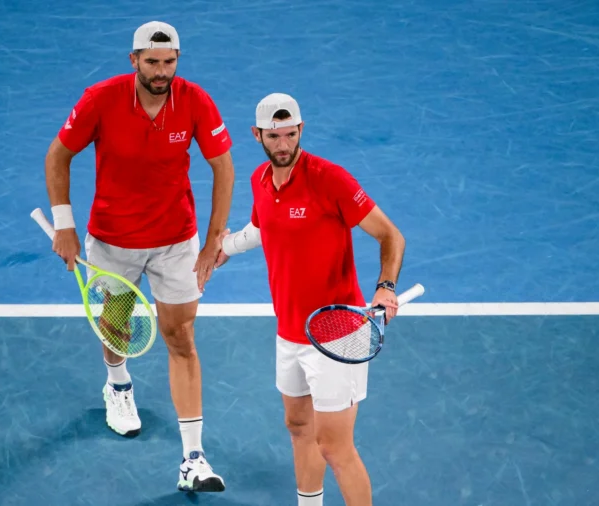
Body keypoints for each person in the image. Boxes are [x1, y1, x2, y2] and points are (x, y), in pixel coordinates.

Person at [43, 20, 234, 493]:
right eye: (152, 62)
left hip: (176, 242)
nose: (161, 72)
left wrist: (213, 242)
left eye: (169, 62)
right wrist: (64, 225)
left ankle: (193, 459)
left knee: (182, 337)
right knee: (117, 321)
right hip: (113, 240)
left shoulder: (195, 100)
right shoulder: (101, 99)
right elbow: (57, 156)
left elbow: (223, 169)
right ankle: (118, 383)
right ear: (134, 61)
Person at [214, 93, 406, 506]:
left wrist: (385, 286)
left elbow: (391, 235)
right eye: (274, 136)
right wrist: (227, 247)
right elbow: (264, 225)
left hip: (337, 333)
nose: (283, 145)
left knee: (335, 447)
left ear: (300, 130)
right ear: (258, 135)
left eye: (290, 135)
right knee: (299, 427)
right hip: (290, 332)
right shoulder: (260, 180)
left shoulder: (329, 179)